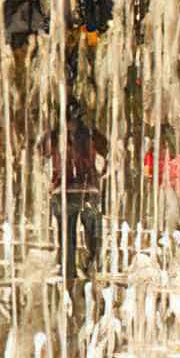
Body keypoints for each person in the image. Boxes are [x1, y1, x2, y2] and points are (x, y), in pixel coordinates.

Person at [47, 112, 108, 280]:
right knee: (73, 236)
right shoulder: (62, 137)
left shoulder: (88, 136)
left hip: (82, 191)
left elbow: (104, 151)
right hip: (71, 192)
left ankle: (85, 266)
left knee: (86, 233)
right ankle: (75, 269)